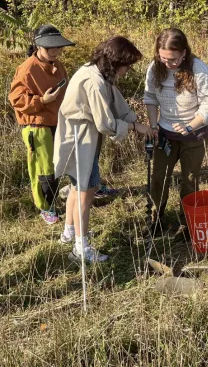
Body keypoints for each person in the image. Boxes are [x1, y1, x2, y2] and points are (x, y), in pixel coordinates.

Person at [54, 36, 153, 263]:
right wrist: (134, 126)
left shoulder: (97, 72)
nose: (127, 70)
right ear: (116, 61)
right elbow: (106, 124)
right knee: (86, 193)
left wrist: (134, 119)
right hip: (80, 141)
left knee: (76, 187)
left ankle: (69, 232)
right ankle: (81, 248)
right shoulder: (94, 81)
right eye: (127, 66)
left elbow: (116, 101)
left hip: (82, 139)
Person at [143, 28, 208, 233]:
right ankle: (155, 220)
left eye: (173, 59)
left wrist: (189, 126)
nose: (168, 63)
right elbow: (150, 98)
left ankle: (187, 222)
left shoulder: (199, 70)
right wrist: (154, 126)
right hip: (165, 133)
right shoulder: (154, 68)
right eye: (163, 57)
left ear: (184, 52)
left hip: (193, 134)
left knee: (190, 180)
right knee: (158, 178)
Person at [9, 25, 75, 224]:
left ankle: (53, 201)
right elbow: (16, 100)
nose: (55, 51)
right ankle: (45, 207)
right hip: (37, 126)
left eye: (58, 48)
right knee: (42, 169)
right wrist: (42, 101)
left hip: (57, 122)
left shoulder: (58, 66)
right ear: (38, 46)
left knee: (56, 165)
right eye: (49, 48)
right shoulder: (27, 69)